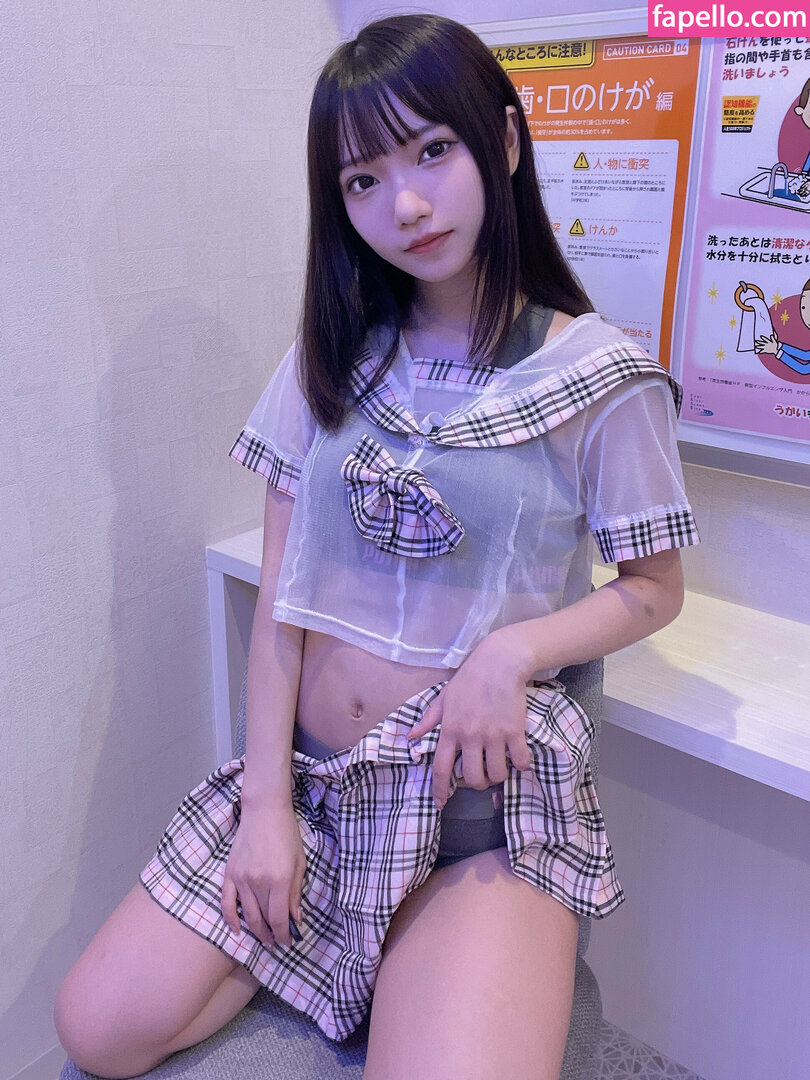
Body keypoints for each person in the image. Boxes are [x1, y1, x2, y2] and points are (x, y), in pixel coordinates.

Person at [54, 14, 699, 1080]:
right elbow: (282, 599)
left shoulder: (597, 375)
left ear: (502, 141)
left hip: (475, 815)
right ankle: (359, 945)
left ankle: (434, 947)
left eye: (432, 151)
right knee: (95, 1028)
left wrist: (512, 651)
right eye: (362, 180)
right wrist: (267, 807)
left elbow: (654, 588)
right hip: (316, 792)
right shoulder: (329, 356)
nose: (404, 205)